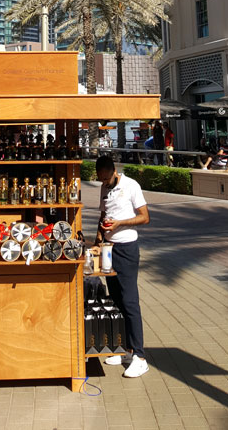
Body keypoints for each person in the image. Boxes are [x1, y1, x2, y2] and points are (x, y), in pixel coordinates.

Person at [92, 154, 150, 378]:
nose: (104, 183)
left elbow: (144, 217)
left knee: (129, 300)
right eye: (101, 180)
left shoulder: (131, 185)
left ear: (114, 171)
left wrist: (120, 223)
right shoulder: (104, 188)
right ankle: (125, 348)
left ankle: (140, 357)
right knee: (115, 300)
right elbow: (103, 215)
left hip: (127, 248)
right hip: (109, 248)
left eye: (106, 179)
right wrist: (98, 240)